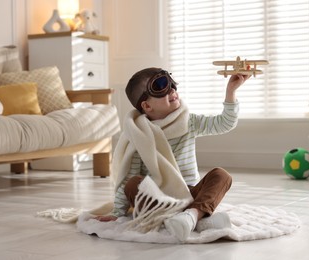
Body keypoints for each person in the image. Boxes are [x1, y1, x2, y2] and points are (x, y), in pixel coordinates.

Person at [95, 67, 250, 241]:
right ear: (147, 106)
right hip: (158, 198)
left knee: (221, 175)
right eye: (161, 86)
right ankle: (197, 218)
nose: (171, 90)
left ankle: (191, 215)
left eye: (171, 82)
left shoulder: (189, 122)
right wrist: (117, 212)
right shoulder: (140, 134)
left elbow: (224, 123)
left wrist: (231, 91)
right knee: (133, 183)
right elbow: (129, 176)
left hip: (188, 193)